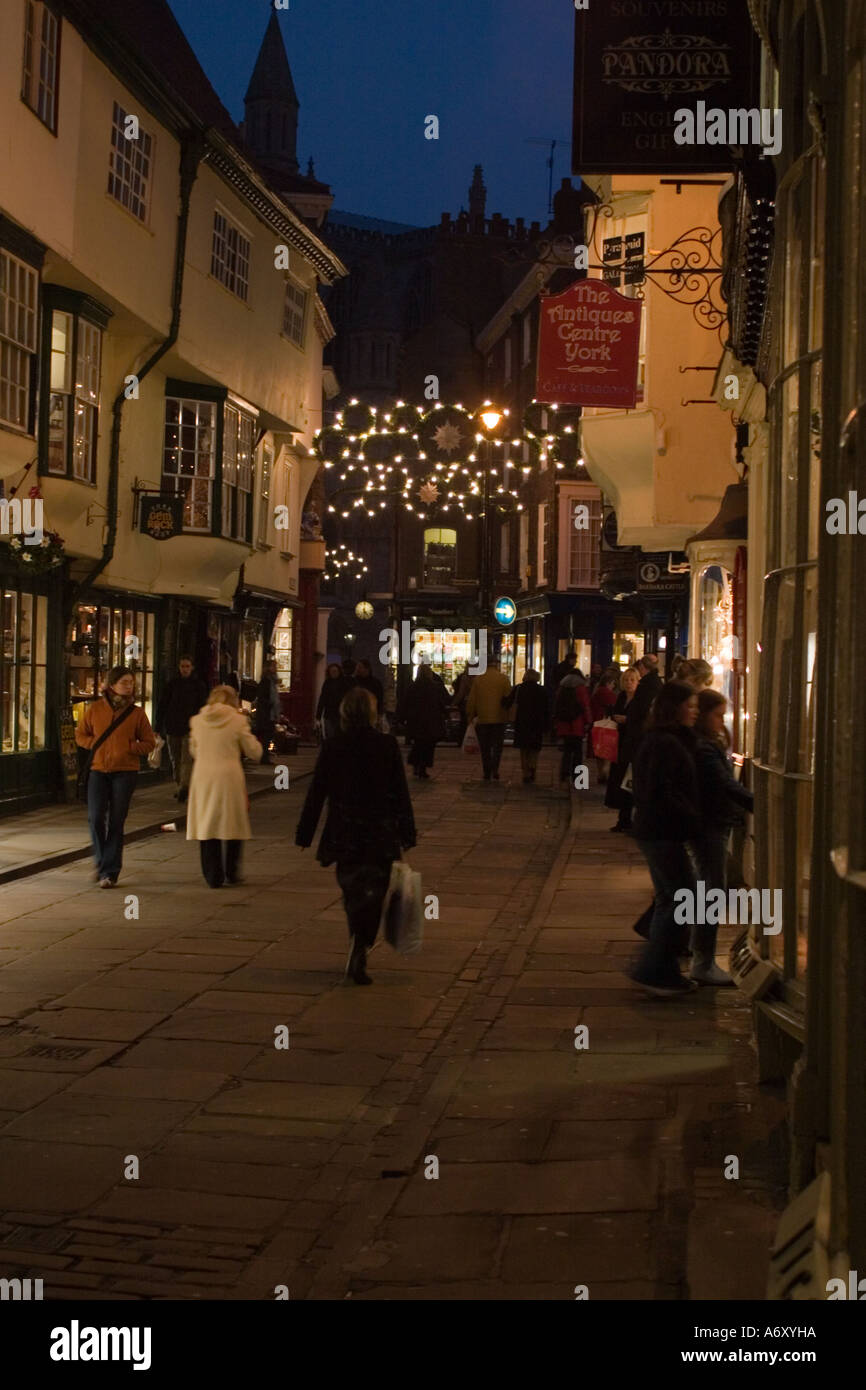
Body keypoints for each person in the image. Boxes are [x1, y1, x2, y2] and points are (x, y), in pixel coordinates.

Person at [295, 686, 417, 985]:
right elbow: (399, 792)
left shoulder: (334, 746)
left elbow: (317, 792)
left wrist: (305, 832)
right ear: (373, 713)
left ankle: (356, 940)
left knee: (352, 891)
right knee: (375, 892)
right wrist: (407, 830)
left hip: (345, 830)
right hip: (380, 831)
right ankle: (362, 945)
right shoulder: (386, 745)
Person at [629, 681, 701, 997]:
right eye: (691, 705)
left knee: (671, 898)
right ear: (674, 708)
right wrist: (692, 818)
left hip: (655, 829)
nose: (695, 711)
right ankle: (654, 968)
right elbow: (662, 791)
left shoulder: (664, 739)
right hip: (662, 831)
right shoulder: (666, 743)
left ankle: (662, 969)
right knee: (683, 897)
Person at [690, 689, 754, 985]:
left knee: (705, 887)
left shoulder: (707, 743)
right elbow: (723, 783)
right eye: (717, 714)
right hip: (709, 825)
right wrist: (755, 801)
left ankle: (692, 952)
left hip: (711, 822)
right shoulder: (704, 746)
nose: (722, 719)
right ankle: (702, 961)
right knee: (711, 890)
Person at [75, 666, 156, 889]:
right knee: (95, 816)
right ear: (112, 685)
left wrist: (131, 747)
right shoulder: (95, 709)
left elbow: (149, 742)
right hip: (98, 770)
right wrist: (95, 745)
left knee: (117, 821)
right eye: (125, 682)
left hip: (125, 772)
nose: (129, 686)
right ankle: (102, 862)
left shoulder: (137, 713)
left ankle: (109, 871)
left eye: (131, 682)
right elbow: (80, 734)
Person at [186, 685, 263, 888]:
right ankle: (232, 871)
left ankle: (213, 875)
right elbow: (254, 751)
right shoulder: (238, 720)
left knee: (207, 824)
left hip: (203, 776)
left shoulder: (197, 721)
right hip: (229, 776)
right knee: (233, 822)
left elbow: (194, 750)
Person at [155, 655, 208, 802]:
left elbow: (202, 707)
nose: (185, 669)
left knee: (186, 759)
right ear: (179, 668)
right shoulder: (172, 684)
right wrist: (158, 726)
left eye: (187, 666)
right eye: (182, 666)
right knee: (175, 759)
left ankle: (184, 787)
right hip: (172, 726)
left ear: (192, 667)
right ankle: (180, 784)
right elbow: (162, 705)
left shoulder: (198, 685)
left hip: (190, 728)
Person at [397, 661, 449, 778]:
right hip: (431, 721)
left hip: (415, 721)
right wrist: (445, 714)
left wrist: (401, 719)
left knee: (418, 743)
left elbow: (404, 703)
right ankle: (423, 767)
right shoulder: (435, 687)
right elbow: (443, 701)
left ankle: (416, 764)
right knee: (428, 745)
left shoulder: (412, 687)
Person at [466, 657, 513, 782]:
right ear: (496, 665)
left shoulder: (479, 679)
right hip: (499, 718)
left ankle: (486, 771)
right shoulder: (503, 679)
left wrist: (470, 715)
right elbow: (509, 698)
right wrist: (510, 716)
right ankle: (495, 769)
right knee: (497, 746)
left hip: (483, 718)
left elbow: (472, 700)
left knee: (485, 747)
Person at [606, 665, 640, 831]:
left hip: (631, 744)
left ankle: (628, 818)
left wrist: (627, 720)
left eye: (632, 680)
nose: (629, 683)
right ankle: (623, 819)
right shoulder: (620, 698)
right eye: (626, 680)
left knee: (629, 781)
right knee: (619, 780)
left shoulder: (639, 700)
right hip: (618, 743)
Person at [553, 669, 591, 784]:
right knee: (578, 752)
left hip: (564, 723)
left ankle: (564, 774)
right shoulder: (581, 688)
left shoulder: (561, 687)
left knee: (567, 751)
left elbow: (557, 705)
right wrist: (589, 721)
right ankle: (578, 778)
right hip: (577, 723)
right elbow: (586, 705)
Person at [510, 669, 548, 783]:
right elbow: (546, 708)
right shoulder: (542, 690)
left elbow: (508, 701)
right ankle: (533, 766)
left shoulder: (519, 688)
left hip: (522, 722)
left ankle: (525, 771)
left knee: (524, 749)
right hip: (537, 723)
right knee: (534, 748)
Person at [590, 666, 618, 783]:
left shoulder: (597, 691)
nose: (613, 686)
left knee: (598, 751)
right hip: (606, 724)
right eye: (612, 684)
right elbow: (614, 707)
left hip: (596, 723)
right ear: (608, 683)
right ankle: (604, 773)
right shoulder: (608, 693)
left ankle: (600, 773)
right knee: (606, 749)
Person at [252, 659, 281, 764]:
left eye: (275, 666)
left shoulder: (272, 681)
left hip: (270, 713)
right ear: (267, 668)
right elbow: (262, 697)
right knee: (266, 736)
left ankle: (265, 757)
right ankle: (264, 757)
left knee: (268, 736)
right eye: (273, 666)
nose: (275, 668)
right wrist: (270, 704)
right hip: (266, 714)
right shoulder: (266, 681)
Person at [316, 663, 350, 740]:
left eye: (335, 671)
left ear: (339, 672)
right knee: (330, 734)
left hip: (340, 713)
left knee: (339, 735)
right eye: (332, 671)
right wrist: (318, 715)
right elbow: (322, 699)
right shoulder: (327, 683)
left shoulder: (344, 683)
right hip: (329, 713)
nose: (333, 673)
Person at [451, 664, 475, 745]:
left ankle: (463, 741)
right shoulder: (479, 677)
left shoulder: (465, 678)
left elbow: (461, 693)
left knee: (464, 723)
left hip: (466, 703)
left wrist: (454, 703)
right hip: (476, 703)